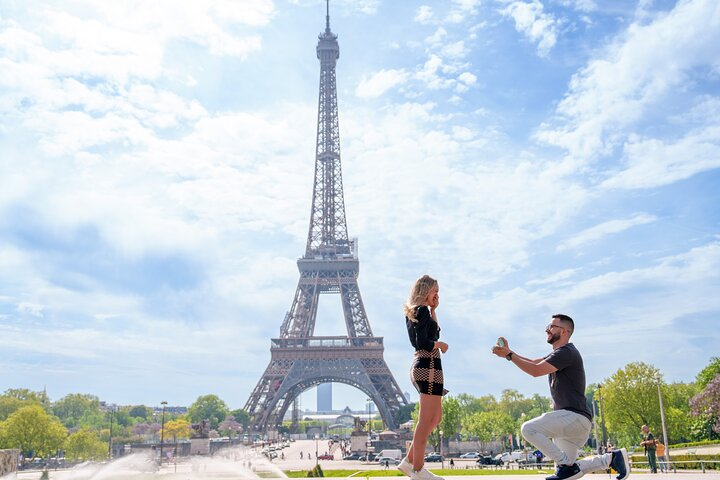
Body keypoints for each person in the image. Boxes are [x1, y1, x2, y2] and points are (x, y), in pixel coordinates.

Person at [491, 314, 630, 480]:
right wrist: (509, 353)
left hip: (573, 418)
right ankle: (611, 458)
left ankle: (566, 465)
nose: (547, 330)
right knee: (567, 474)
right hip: (569, 425)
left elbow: (535, 371)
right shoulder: (560, 354)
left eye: (551, 327)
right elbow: (535, 363)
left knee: (528, 429)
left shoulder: (567, 352)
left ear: (564, 331)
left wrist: (510, 356)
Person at [397, 275, 449, 480]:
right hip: (427, 365)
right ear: (425, 290)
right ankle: (417, 470)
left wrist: (434, 310)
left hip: (429, 366)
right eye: (435, 290)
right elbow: (424, 342)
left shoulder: (420, 311)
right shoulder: (422, 310)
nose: (437, 294)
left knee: (435, 418)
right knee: (425, 421)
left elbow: (432, 333)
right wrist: (440, 345)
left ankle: (409, 462)